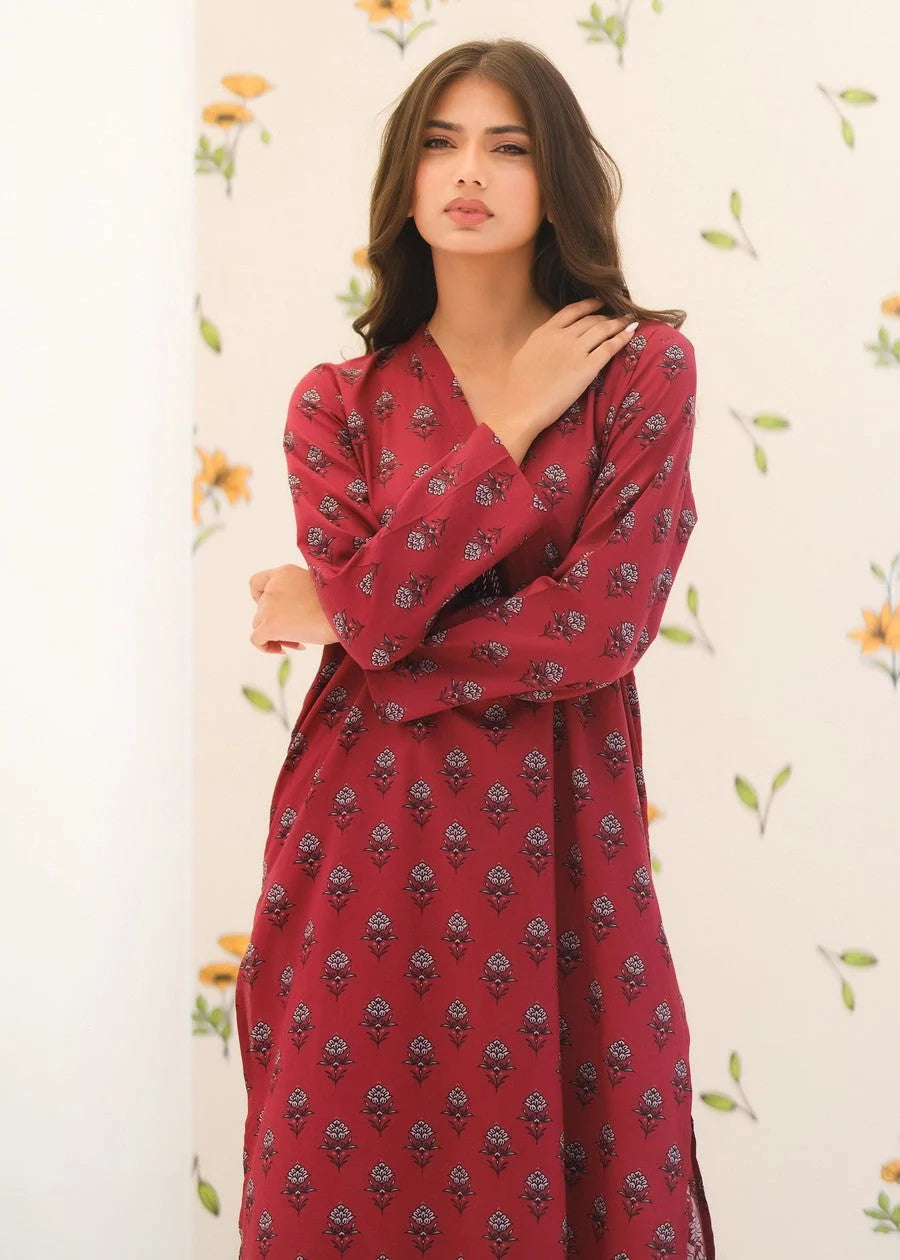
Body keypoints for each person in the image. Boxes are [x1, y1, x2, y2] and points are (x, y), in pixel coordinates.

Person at [239, 37, 716, 1260]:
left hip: (567, 849)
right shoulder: (335, 403)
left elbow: (599, 629)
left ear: (557, 180)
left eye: (508, 147)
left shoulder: (642, 373)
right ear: (404, 181)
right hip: (365, 835)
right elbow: (383, 609)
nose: (469, 172)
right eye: (441, 144)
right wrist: (504, 425)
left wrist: (349, 615)